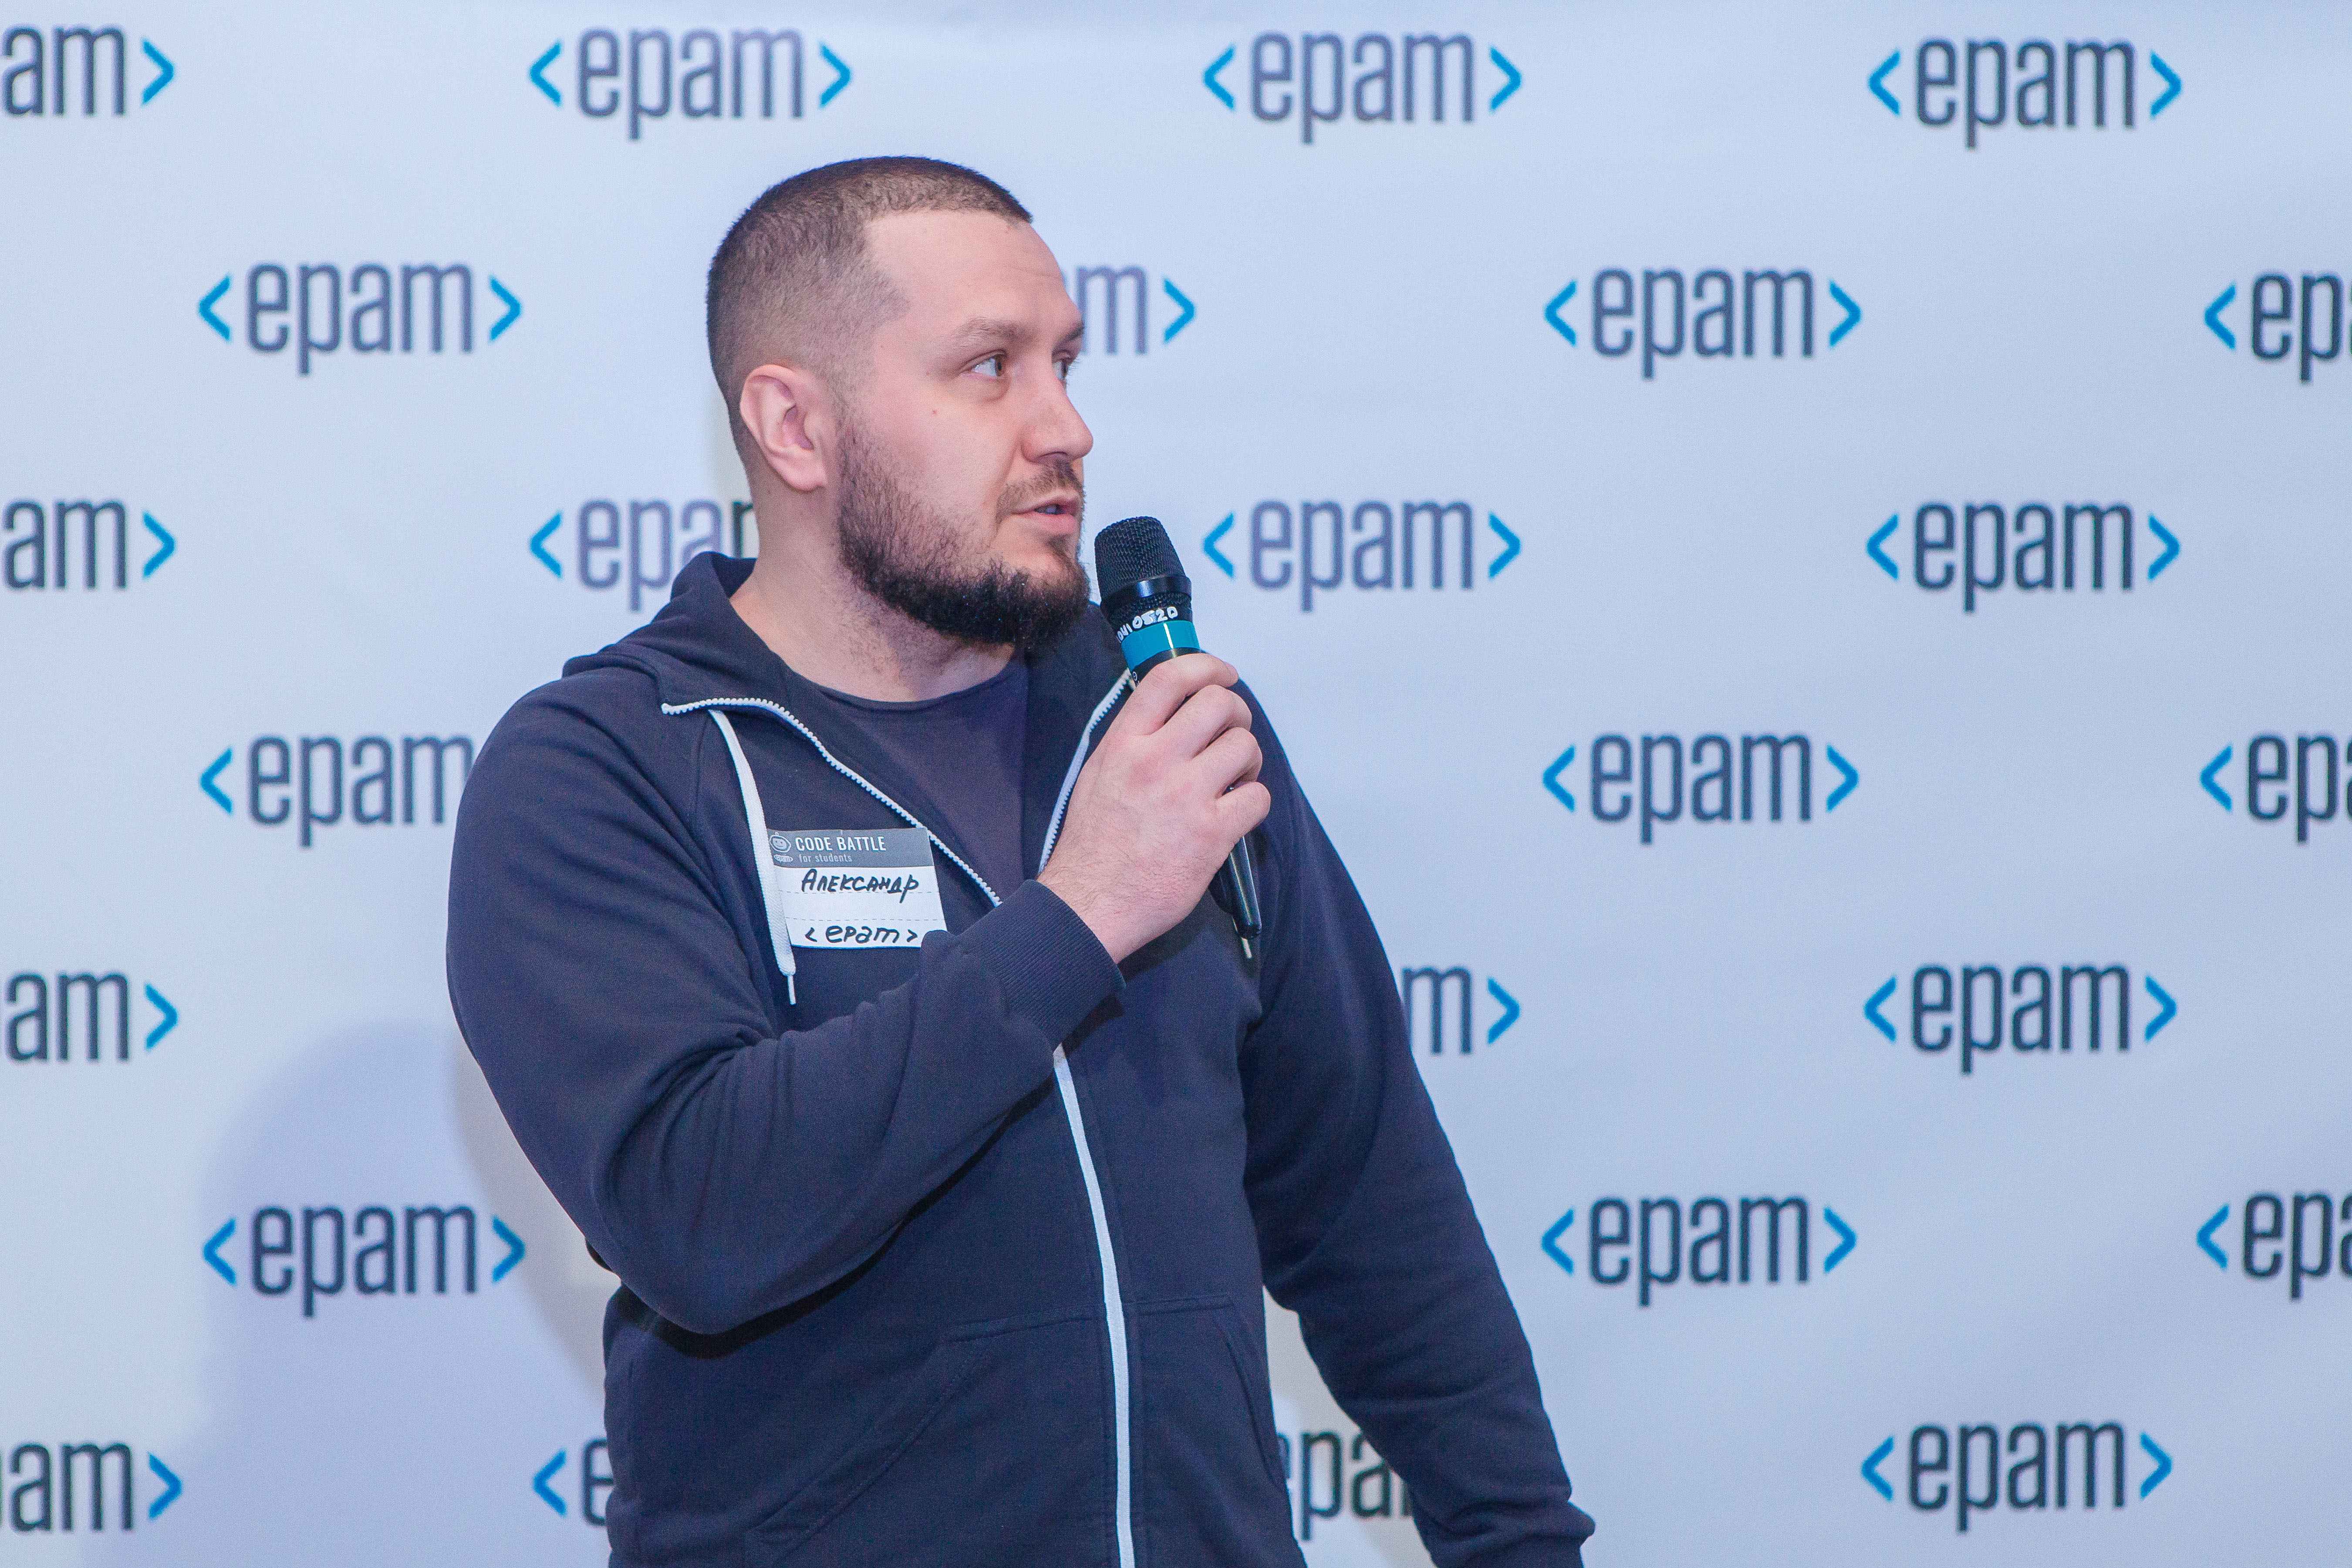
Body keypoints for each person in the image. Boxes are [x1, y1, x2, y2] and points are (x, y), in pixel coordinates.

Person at [447, 156, 1592, 1567]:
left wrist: (1520, 1542)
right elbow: (700, 1216)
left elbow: (1371, 1207)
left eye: (1065, 363)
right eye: (989, 368)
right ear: (796, 427)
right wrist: (1083, 910)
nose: (1066, 428)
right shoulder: (610, 765)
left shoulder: (1157, 726)